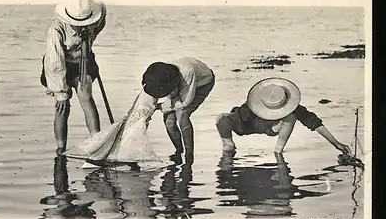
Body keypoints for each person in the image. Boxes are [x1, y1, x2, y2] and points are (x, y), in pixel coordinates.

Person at [215, 77, 353, 164]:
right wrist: (228, 142)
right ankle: (228, 149)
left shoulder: (291, 109)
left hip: (272, 127)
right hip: (247, 126)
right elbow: (229, 119)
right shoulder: (249, 109)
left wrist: (336, 143)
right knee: (221, 119)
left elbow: (314, 123)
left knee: (291, 117)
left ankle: (278, 151)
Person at [40, 0, 107, 156]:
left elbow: (102, 13)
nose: (80, 27)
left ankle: (96, 141)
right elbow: (55, 61)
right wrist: (60, 91)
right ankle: (61, 147)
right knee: (62, 106)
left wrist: (95, 6)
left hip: (83, 62)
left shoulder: (92, 21)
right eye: (76, 23)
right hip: (60, 64)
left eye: (83, 22)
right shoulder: (56, 30)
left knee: (86, 97)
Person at [141, 57, 215, 162]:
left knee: (182, 114)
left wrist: (159, 107)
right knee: (169, 120)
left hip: (202, 83)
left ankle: (189, 156)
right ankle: (178, 151)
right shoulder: (158, 75)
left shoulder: (188, 72)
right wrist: (146, 114)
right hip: (176, 83)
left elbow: (185, 103)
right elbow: (150, 101)